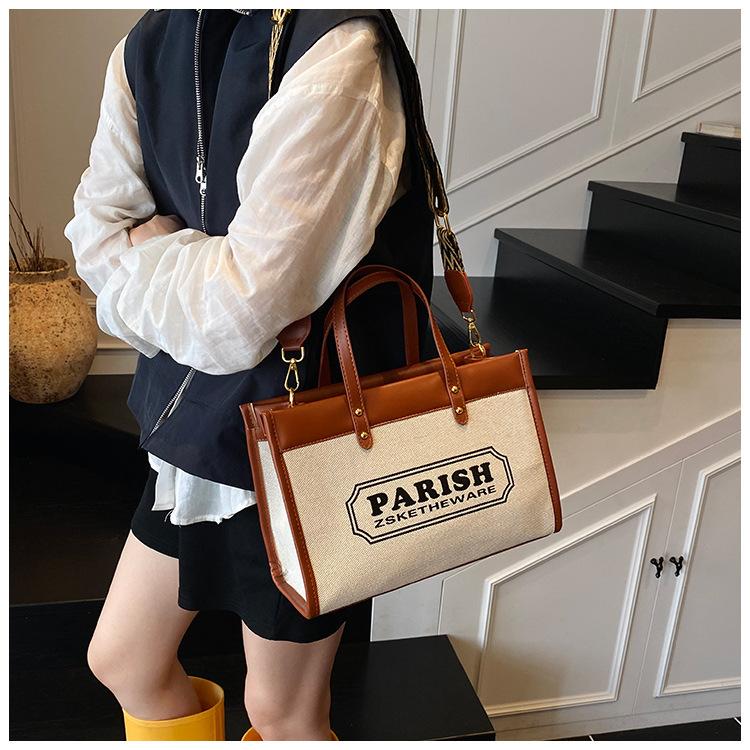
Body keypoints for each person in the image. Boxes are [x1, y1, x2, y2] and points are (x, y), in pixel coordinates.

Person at [64, 9, 436, 741]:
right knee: (125, 659)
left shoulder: (339, 48)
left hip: (310, 440)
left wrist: (147, 249)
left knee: (284, 713)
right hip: (198, 435)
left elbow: (239, 310)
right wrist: (187, 268)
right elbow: (94, 240)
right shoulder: (148, 43)